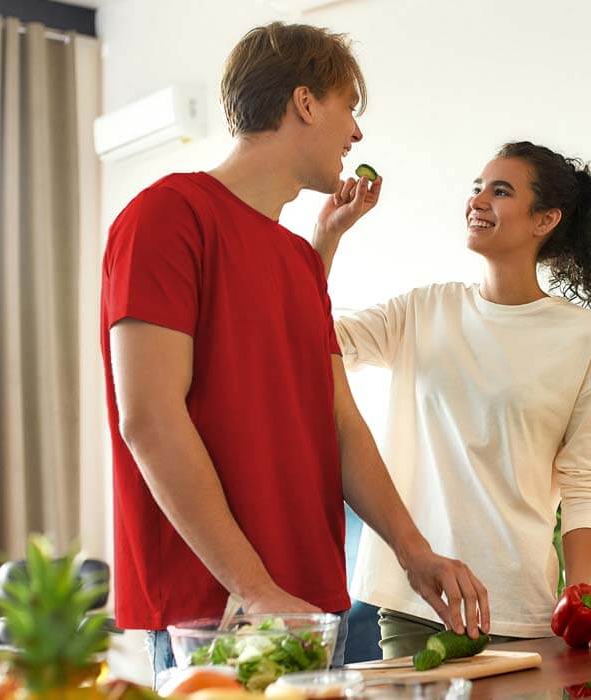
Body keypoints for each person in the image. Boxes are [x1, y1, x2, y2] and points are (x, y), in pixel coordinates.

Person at [99, 22, 489, 679]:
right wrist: (256, 590)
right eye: (349, 109)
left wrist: (413, 550)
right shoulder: (166, 215)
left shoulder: (299, 261)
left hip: (313, 606)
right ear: (305, 103)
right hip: (219, 614)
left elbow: (340, 423)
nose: (357, 135)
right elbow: (150, 420)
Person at [313, 141, 591, 657]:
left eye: (500, 191)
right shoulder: (423, 311)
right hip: (416, 603)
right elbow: (309, 337)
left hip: (519, 610)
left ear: (545, 220)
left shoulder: (587, 338)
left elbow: (584, 480)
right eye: (476, 188)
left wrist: (582, 591)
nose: (477, 201)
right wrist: (327, 238)